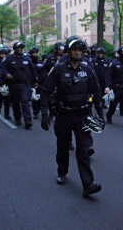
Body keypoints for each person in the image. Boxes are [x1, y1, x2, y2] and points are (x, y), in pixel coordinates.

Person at [40, 36, 104, 197]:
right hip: (63, 115)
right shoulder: (59, 68)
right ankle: (62, 171)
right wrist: (45, 114)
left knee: (83, 149)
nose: (77, 52)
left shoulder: (87, 69)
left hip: (83, 115)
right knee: (62, 147)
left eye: (80, 50)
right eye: (74, 49)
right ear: (68, 52)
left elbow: (96, 92)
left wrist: (100, 115)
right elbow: (45, 91)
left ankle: (88, 184)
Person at [3, 42, 38, 128]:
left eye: (21, 48)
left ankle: (27, 120)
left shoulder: (27, 59)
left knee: (25, 101)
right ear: (15, 48)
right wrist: (6, 74)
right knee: (15, 102)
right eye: (18, 48)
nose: (19, 49)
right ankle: (17, 118)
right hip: (13, 84)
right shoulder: (8, 58)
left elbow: (33, 70)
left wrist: (36, 81)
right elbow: (2, 68)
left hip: (25, 84)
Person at [105, 46, 123, 126]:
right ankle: (109, 115)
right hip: (115, 88)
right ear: (120, 53)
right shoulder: (114, 64)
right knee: (113, 105)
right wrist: (107, 86)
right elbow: (108, 76)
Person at [0, 48, 11, 120]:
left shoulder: (8, 62)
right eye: (1, 54)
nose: (3, 55)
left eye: (4, 54)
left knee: (7, 100)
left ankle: (7, 114)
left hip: (7, 82)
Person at [29, 47, 46, 119]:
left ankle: (42, 111)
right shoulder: (29, 62)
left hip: (41, 82)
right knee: (34, 98)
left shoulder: (41, 62)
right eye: (33, 53)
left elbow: (44, 71)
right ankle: (35, 112)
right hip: (33, 83)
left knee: (42, 98)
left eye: (36, 53)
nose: (35, 54)